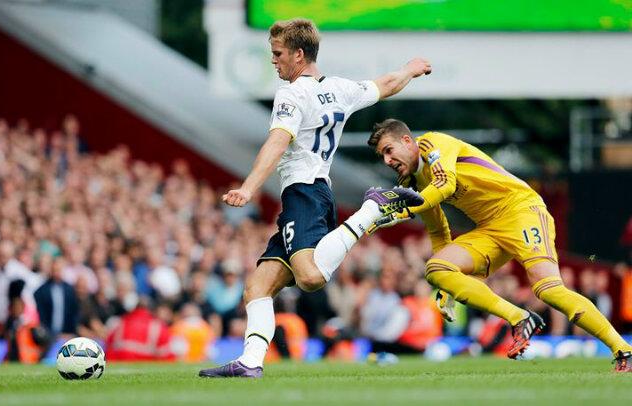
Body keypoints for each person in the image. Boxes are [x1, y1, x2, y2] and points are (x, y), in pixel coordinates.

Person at [199, 18, 432, 378]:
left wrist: (248, 188)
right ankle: (250, 362)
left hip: (303, 192)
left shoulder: (292, 94)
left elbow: (277, 141)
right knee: (258, 286)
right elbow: (385, 84)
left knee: (309, 277)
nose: (274, 61)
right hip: (316, 191)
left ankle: (372, 209)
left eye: (277, 54)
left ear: (299, 54)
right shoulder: (339, 88)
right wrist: (409, 70)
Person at [361, 118, 632, 372]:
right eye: (382, 156)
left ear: (407, 141)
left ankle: (624, 351)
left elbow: (445, 185)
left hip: (521, 210)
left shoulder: (433, 144)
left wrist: (402, 210)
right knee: (437, 268)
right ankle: (518, 317)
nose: (387, 160)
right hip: (490, 229)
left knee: (548, 289)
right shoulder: (411, 182)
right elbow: (437, 228)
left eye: (389, 150)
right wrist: (447, 287)